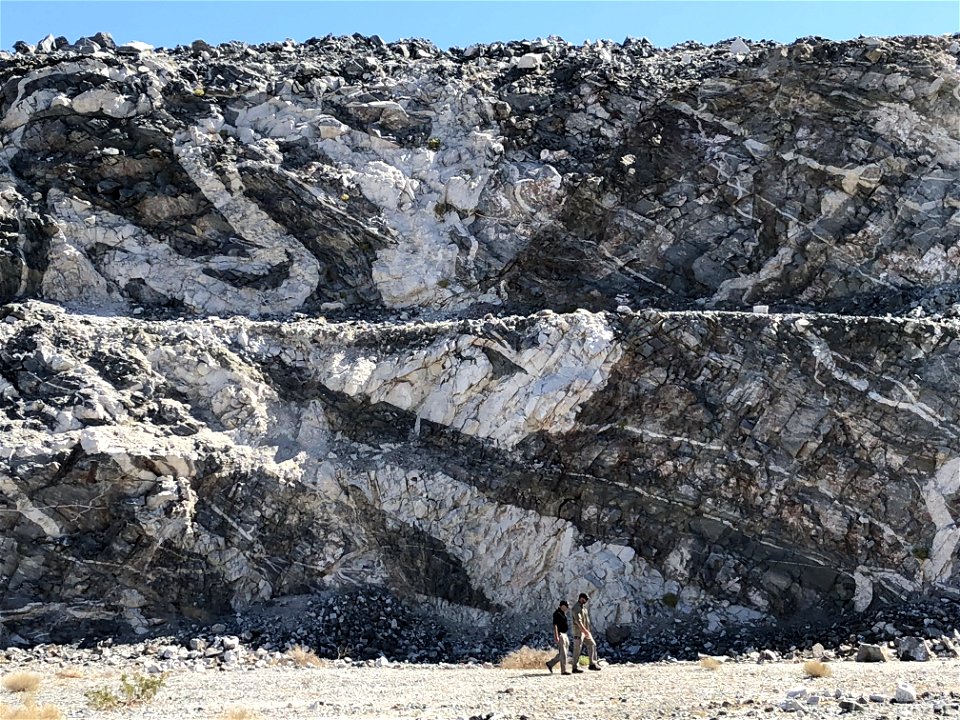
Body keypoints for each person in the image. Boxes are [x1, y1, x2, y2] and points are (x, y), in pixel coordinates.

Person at [570, 592, 601, 672]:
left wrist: (587, 632)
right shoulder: (576, 608)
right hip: (579, 632)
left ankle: (592, 664)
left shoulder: (584, 608)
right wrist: (585, 631)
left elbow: (586, 621)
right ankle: (575, 667)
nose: (586, 600)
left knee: (592, 644)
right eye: (585, 599)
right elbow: (578, 622)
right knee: (577, 649)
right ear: (581, 598)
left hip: (585, 632)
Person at [545, 600, 571, 675]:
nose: (567, 608)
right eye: (566, 606)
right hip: (560, 634)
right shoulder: (557, 614)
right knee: (563, 653)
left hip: (565, 634)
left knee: (564, 652)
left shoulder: (563, 613)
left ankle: (550, 664)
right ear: (562, 606)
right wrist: (556, 635)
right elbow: (555, 625)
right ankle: (564, 670)